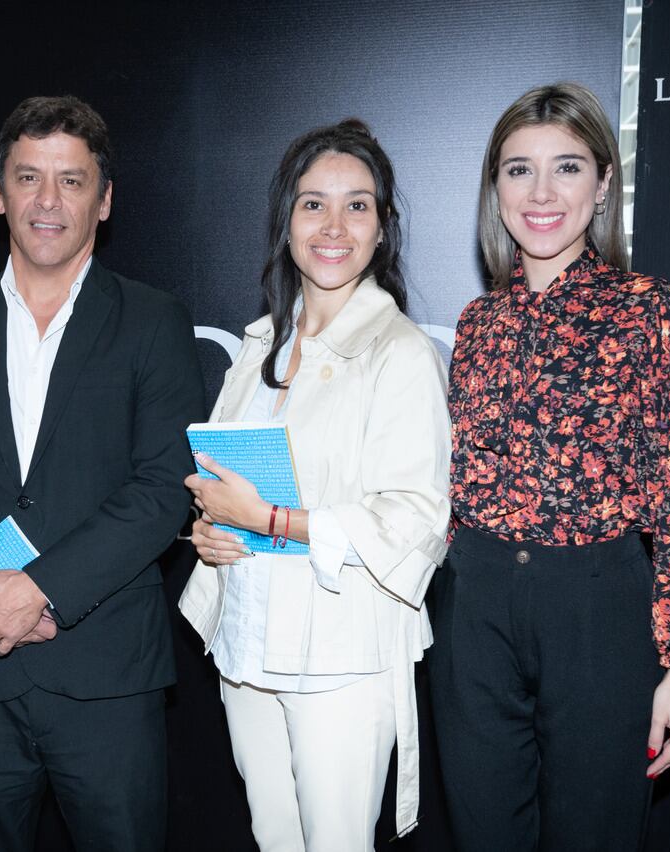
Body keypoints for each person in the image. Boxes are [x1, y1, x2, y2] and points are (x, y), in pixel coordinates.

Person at [431, 82, 670, 851]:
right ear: (495, 188)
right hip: (471, 605)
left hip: (599, 609)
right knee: (481, 832)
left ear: (604, 183)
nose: (541, 193)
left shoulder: (650, 309)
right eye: (518, 170)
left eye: (567, 167)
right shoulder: (479, 324)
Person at [0, 95, 204, 852]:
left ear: (106, 199)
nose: (48, 201)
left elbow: (162, 487)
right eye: (28, 178)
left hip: (107, 672)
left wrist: (39, 590)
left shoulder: (155, 321)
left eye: (72, 180)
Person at [178, 119, 451, 851]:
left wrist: (266, 518)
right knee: (274, 839)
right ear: (286, 221)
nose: (335, 226)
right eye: (313, 204)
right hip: (247, 645)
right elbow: (227, 477)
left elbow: (414, 519)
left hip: (343, 657)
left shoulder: (400, 352)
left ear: (383, 229)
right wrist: (213, 527)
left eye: (357, 206)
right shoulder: (263, 339)